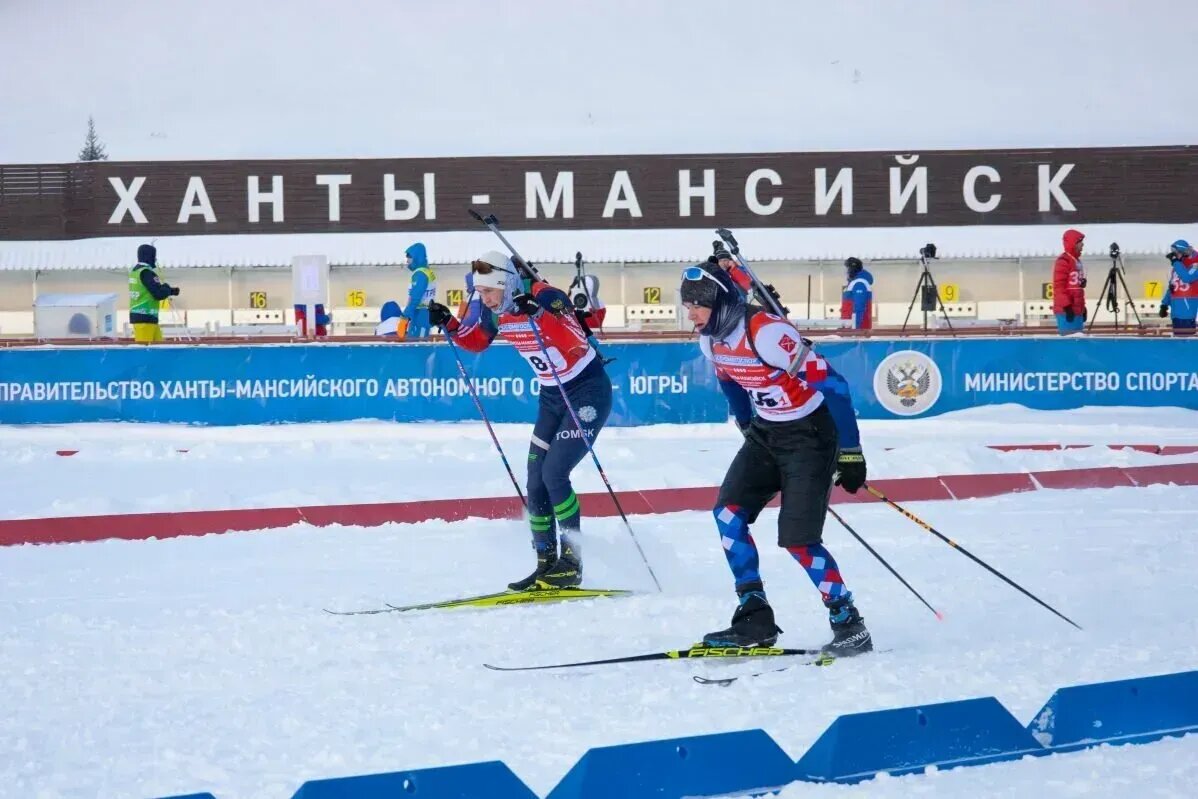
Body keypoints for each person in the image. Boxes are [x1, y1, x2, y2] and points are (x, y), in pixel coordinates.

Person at [679, 262, 872, 657]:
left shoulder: (766, 333)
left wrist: (850, 452)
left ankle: (848, 622)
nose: (692, 314)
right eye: (688, 306)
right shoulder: (710, 341)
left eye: (698, 305)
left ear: (722, 303)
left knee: (799, 540)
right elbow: (730, 382)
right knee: (728, 515)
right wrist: (746, 424)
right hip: (767, 432)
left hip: (810, 435)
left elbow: (835, 386)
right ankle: (754, 616)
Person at [427, 251, 614, 591]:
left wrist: (539, 314)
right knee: (535, 480)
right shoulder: (496, 310)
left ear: (505, 282)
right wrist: (450, 324)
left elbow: (573, 342)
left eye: (488, 291)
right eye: (480, 293)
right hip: (552, 397)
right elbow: (477, 342)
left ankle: (572, 563)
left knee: (554, 473)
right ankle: (546, 563)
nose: (484, 300)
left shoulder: (546, 295)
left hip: (586, 392)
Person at [128, 243, 179, 343]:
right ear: (149, 256)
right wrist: (167, 289)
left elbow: (151, 289)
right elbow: (158, 293)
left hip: (146, 317)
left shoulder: (135, 272)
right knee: (146, 349)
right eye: (154, 256)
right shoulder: (146, 273)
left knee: (158, 347)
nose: (155, 259)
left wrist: (170, 291)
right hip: (145, 318)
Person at [398, 242, 437, 339]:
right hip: (424, 314)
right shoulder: (427, 271)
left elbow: (415, 298)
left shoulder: (420, 274)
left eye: (409, 257)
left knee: (417, 344)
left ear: (416, 257)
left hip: (420, 315)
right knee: (419, 343)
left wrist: (404, 317)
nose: (407, 260)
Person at [1160, 239, 1198, 336]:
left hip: (1187, 312)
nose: (1175, 256)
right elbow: (1173, 286)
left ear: (1183, 252)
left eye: (1176, 253)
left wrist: (1175, 262)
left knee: (1185, 341)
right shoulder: (1178, 266)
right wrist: (1164, 304)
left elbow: (1187, 278)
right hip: (1175, 312)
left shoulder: (1195, 264)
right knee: (1177, 340)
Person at [1052, 229, 1087, 334]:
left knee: (1078, 340)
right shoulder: (1063, 261)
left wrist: (1083, 308)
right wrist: (1067, 306)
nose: (1083, 245)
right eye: (1080, 242)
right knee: (1069, 340)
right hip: (1066, 311)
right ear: (1073, 243)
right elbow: (1059, 287)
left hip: (1077, 310)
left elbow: (1076, 288)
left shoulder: (1077, 261)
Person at [840, 257, 874, 330]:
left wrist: (855, 329)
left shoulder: (859, 283)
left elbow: (859, 307)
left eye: (847, 269)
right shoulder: (854, 283)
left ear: (852, 269)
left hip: (858, 329)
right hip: (850, 326)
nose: (846, 272)